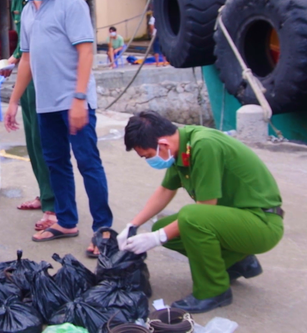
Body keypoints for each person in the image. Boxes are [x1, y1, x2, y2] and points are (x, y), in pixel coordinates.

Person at [5, 0, 112, 256]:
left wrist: (79, 98)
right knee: (56, 163)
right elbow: (26, 59)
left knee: (88, 162)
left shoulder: (70, 2)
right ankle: (66, 221)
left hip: (74, 100)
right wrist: (13, 101)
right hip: (46, 103)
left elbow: (86, 51)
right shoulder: (27, 9)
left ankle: (103, 229)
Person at [119, 111, 284, 313]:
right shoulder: (181, 147)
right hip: (237, 218)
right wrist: (132, 226)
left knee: (191, 218)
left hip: (263, 223)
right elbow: (165, 190)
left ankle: (213, 291)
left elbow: (205, 208)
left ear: (163, 145)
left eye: (148, 156)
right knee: (164, 226)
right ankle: (239, 261)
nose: (149, 161)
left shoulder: (204, 145)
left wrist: (156, 238)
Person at [1, 0, 56, 232]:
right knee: (34, 144)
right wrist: (12, 60)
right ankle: (44, 193)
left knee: (47, 144)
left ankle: (53, 204)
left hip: (47, 79)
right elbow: (26, 46)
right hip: (28, 77)